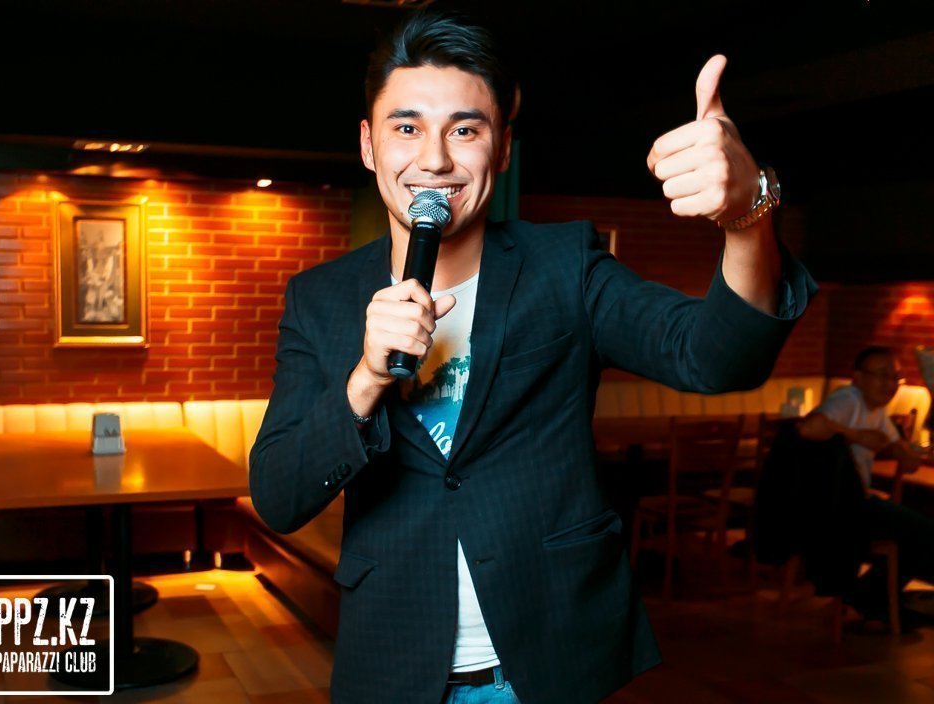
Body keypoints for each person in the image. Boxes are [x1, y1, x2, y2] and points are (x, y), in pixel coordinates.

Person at [249, 9, 816, 704]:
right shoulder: (319, 299)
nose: (435, 160)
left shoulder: (564, 265)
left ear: (503, 149)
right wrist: (365, 379)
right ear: (369, 145)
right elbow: (278, 496)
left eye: (465, 130)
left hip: (551, 666)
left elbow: (717, 359)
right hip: (394, 667)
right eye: (407, 128)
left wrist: (748, 215)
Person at [798, 346, 934, 623]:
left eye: (895, 377)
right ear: (858, 378)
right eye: (882, 375)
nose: (890, 384)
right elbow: (807, 428)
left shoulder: (877, 412)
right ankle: (867, 598)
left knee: (918, 532)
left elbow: (906, 459)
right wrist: (857, 436)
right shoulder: (848, 399)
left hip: (852, 503)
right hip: (832, 509)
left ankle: (870, 598)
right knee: (924, 532)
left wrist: (906, 450)